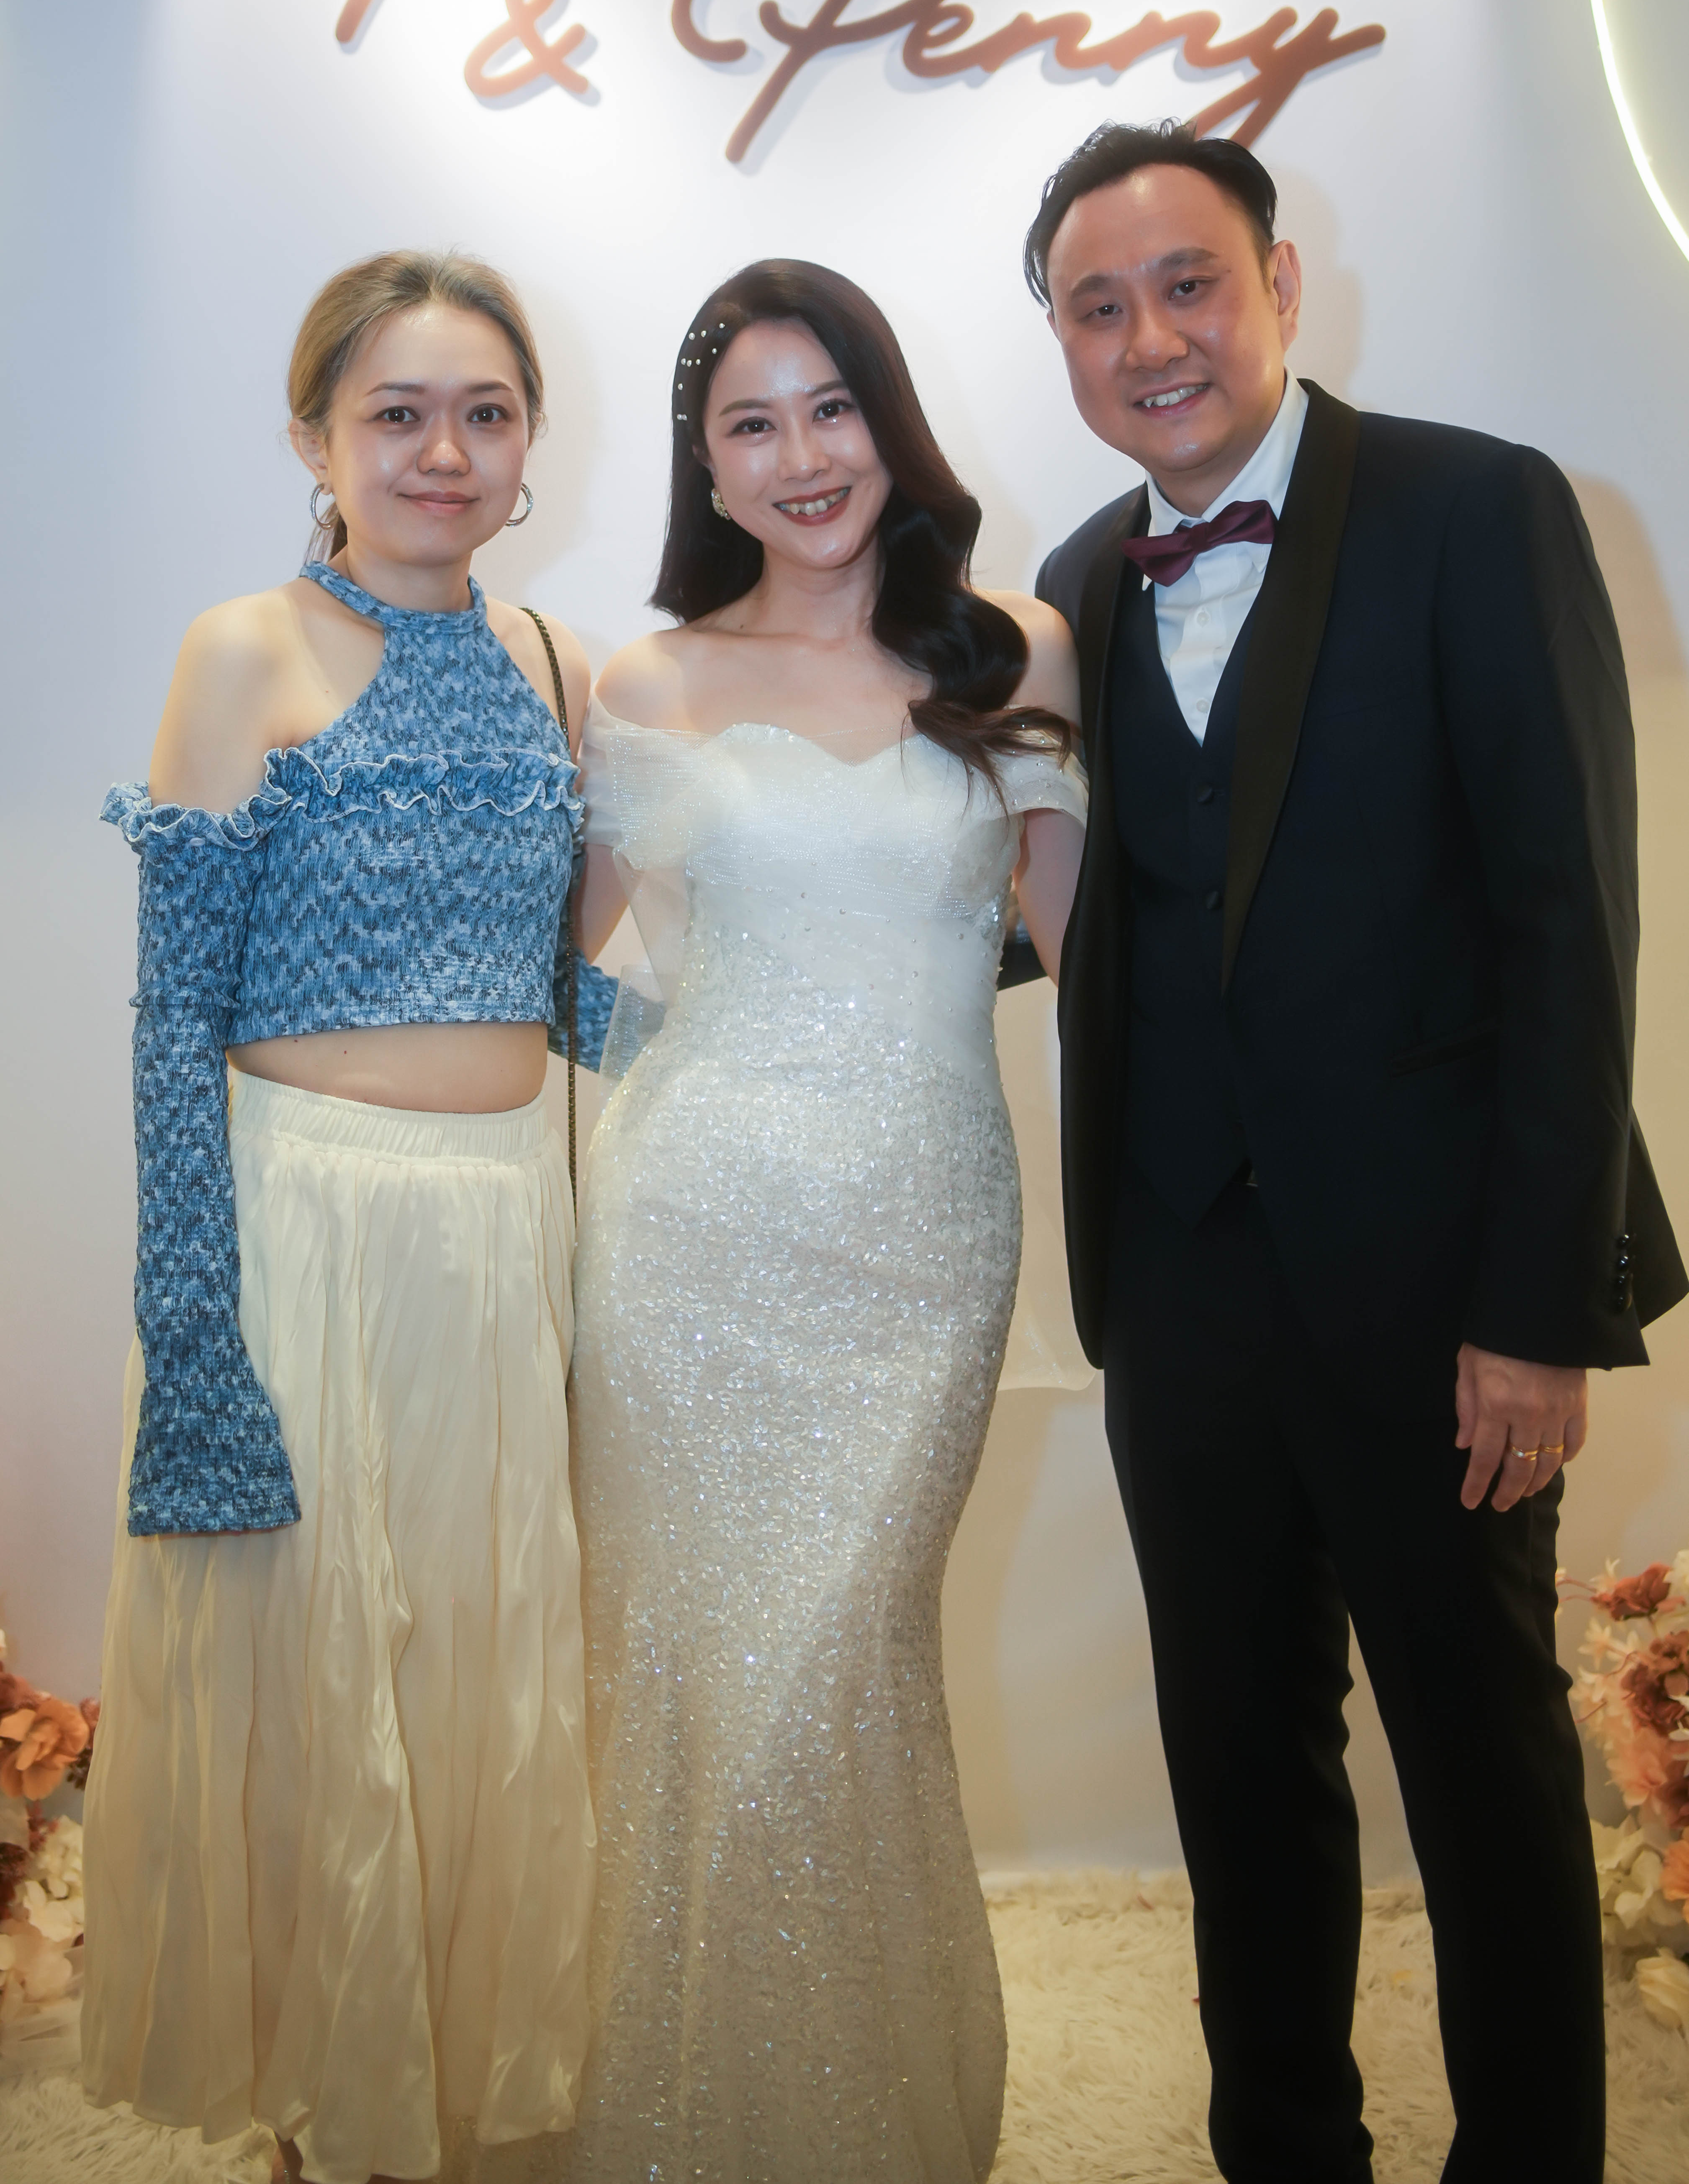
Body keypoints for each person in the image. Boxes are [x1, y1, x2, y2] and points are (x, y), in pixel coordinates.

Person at [1028, 118, 1686, 2184]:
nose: (1151, 337)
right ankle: (1287, 2147)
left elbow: (1571, 920)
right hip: (1179, 1284)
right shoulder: (1070, 585)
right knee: (1236, 1763)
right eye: (1098, 306)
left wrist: (1538, 1307)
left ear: (1281, 286)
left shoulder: (1476, 507)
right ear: (1060, 339)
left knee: (1483, 1770)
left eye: (1189, 284)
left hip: (1441, 1292)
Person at [82, 252, 616, 2184]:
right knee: (318, 1681)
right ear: (315, 433)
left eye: (485, 411)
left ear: (528, 442)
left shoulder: (558, 663)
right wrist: (190, 1327)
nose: (443, 450)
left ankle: (434, 2096)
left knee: (476, 1672)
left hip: (501, 1237)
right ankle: (319, 2118)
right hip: (302, 1233)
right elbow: (174, 1017)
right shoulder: (244, 650)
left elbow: (567, 992)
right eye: (398, 411)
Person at [559, 259, 1085, 2182]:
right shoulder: (650, 681)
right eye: (750, 423)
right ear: (704, 464)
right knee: (700, 1684)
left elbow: (1092, 963)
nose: (800, 455)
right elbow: (561, 972)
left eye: (831, 404)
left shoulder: (1014, 652)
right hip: (690, 1247)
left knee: (846, 1664)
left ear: (889, 414)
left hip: (923, 1249)